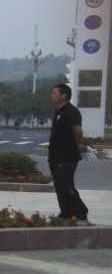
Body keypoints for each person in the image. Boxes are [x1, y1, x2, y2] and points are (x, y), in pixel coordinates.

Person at [48, 84, 90, 224]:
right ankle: (66, 214)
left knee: (66, 186)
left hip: (67, 156)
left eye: (55, 93)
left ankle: (81, 214)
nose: (52, 95)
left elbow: (78, 131)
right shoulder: (58, 110)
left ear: (63, 95)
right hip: (55, 156)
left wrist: (76, 146)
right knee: (60, 187)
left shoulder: (71, 111)